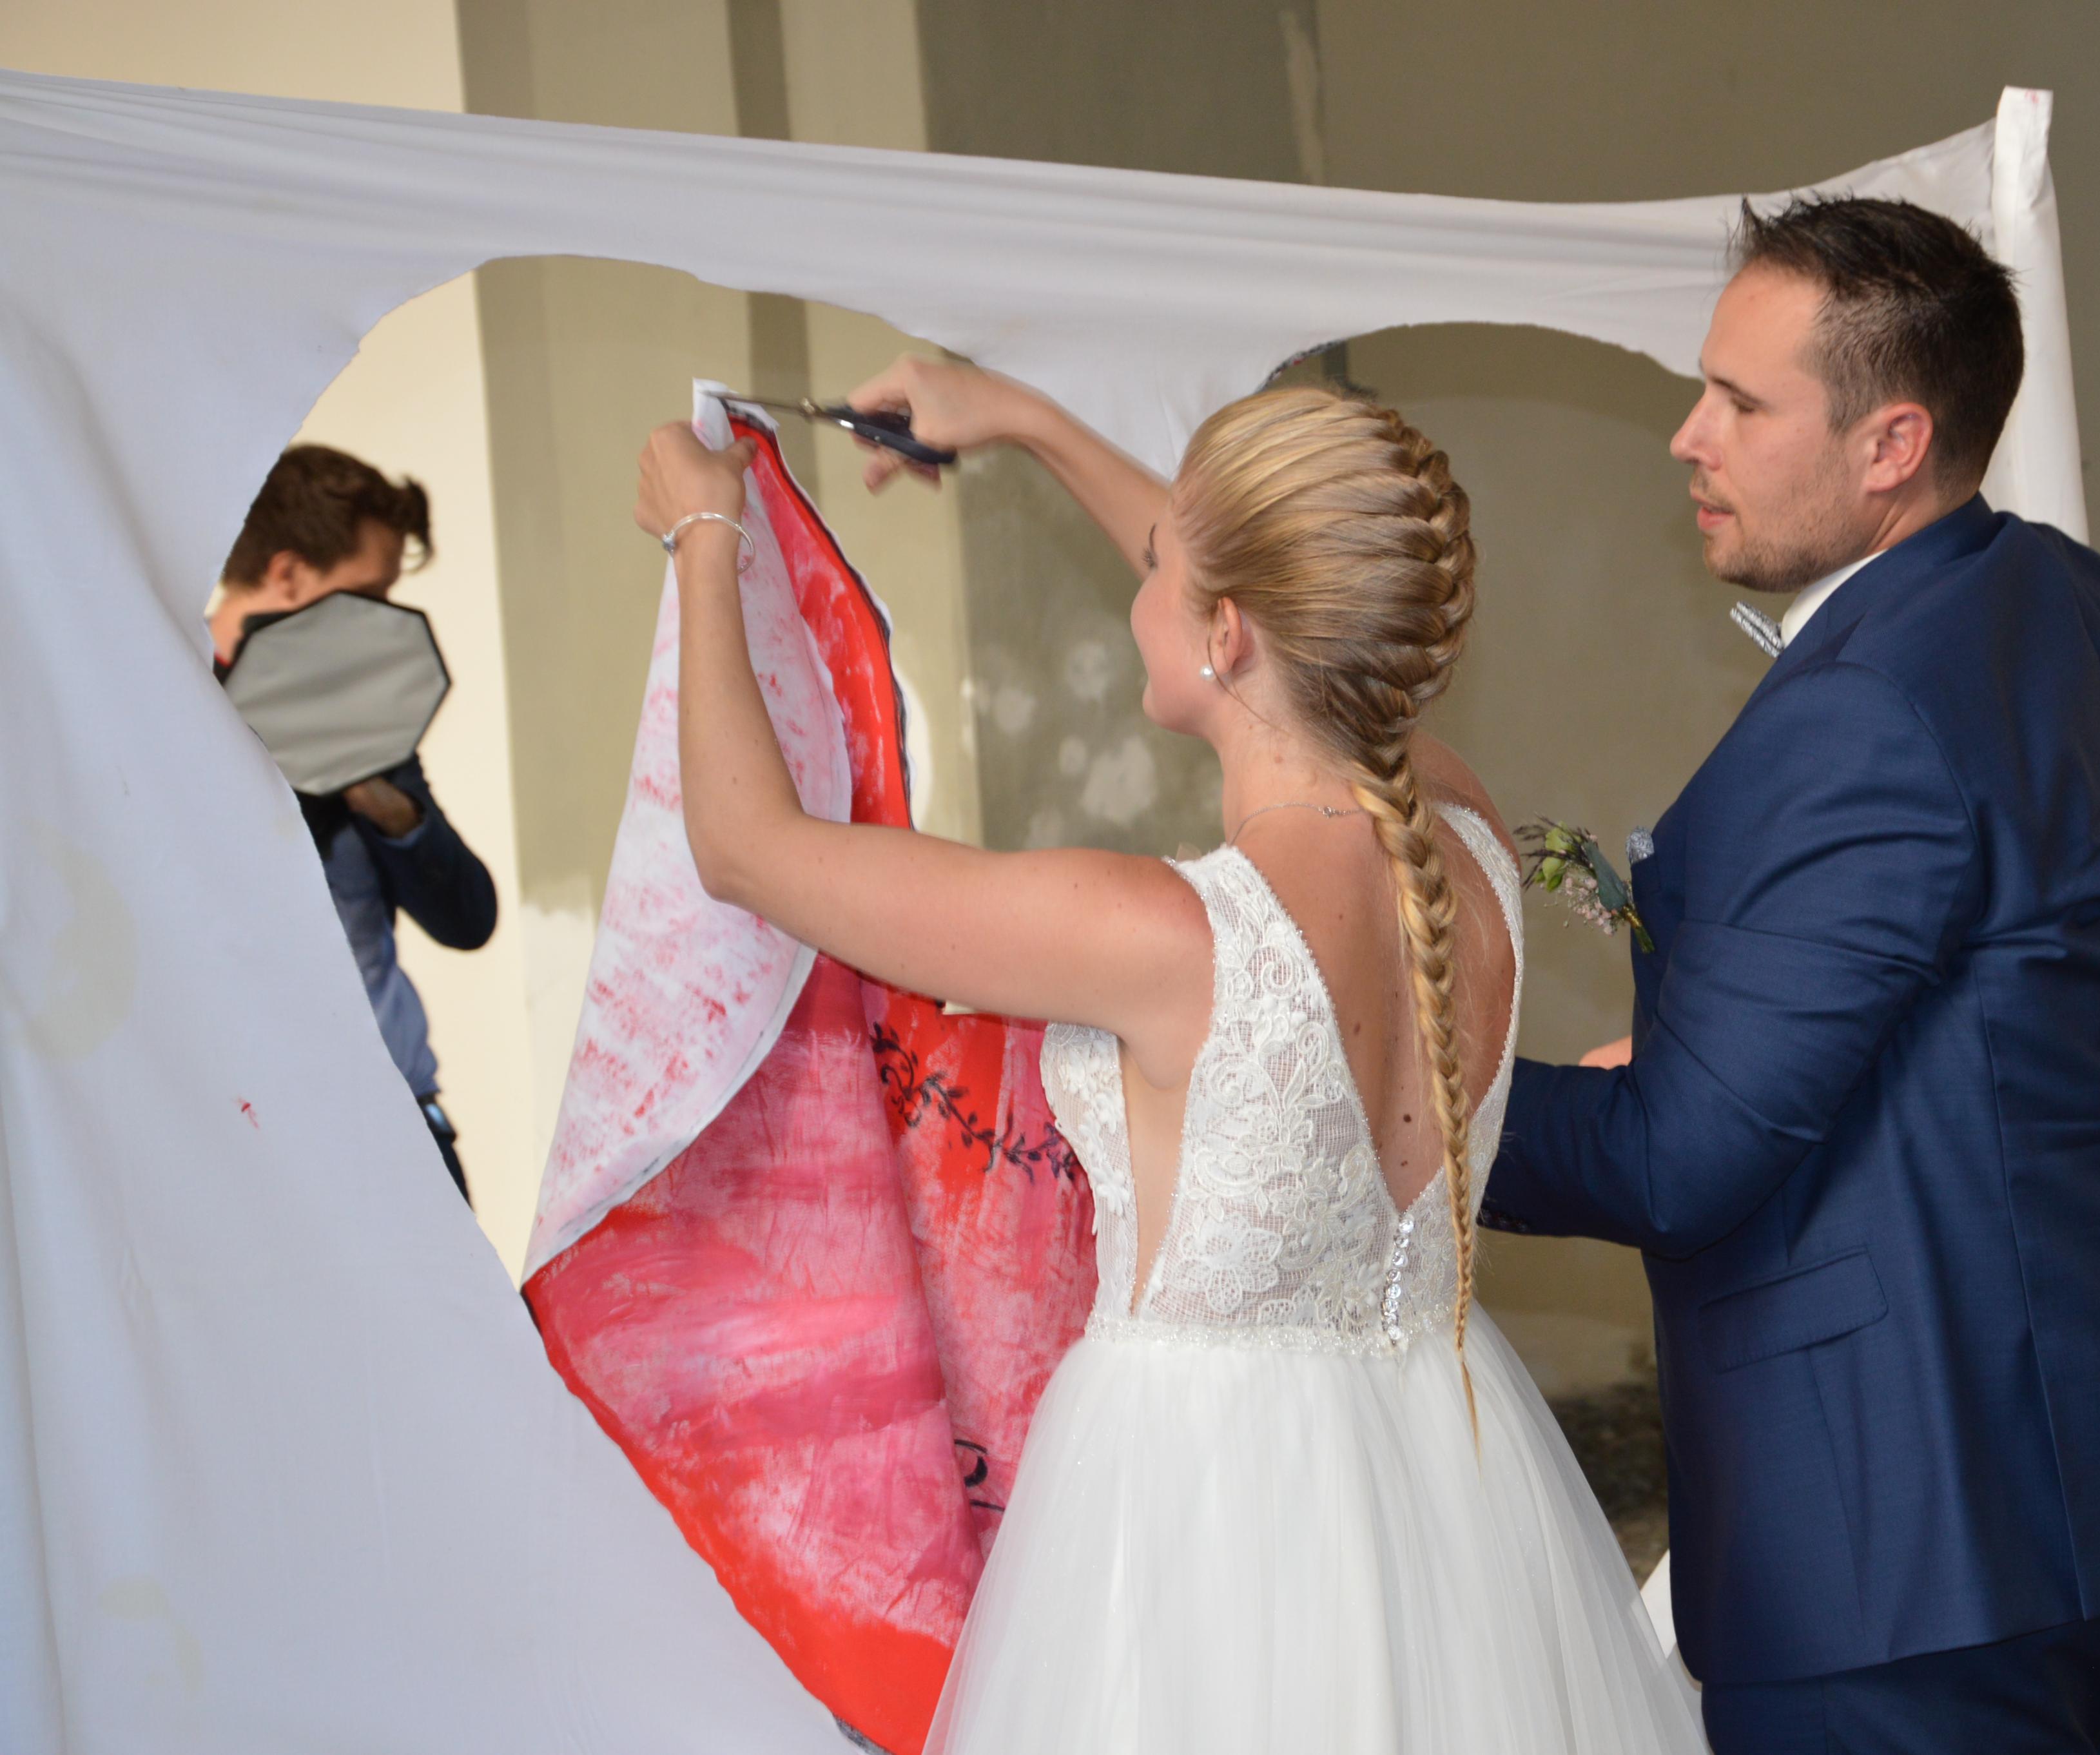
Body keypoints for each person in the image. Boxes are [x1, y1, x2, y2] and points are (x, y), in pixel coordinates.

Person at [630, 364, 1704, 1754]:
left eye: (1155, 568)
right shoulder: (1465, 830)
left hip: (1201, 1516)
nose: (1138, 579)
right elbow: (1300, 598)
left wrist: (702, 531)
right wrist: (1024, 420)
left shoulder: (1159, 933)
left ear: (1227, 632)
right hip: (1443, 1480)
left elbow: (744, 846)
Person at [1479, 195, 2100, 1754]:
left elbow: (1672, 1166)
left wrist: (1380, 1099)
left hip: (1918, 1549)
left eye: (1739, 402)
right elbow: (2017, 1013)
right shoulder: (2092, 609)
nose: (1687, 435)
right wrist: (1719, 1054)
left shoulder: (1859, 707)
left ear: (1890, 445)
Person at [211, 445, 498, 1202]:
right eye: (369, 596)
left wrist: (386, 804)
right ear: (287, 575)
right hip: (242, 1152)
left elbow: (468, 916)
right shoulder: (159, 703)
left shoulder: (363, 719)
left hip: (398, 1134)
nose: (384, 625)